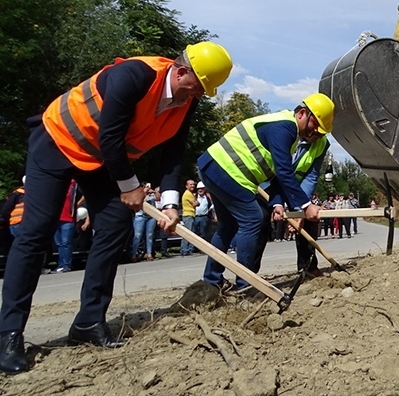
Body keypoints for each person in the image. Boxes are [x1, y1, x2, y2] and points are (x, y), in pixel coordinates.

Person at [0, 41, 233, 374]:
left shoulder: (187, 99)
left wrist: (170, 203)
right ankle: (8, 334)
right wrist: (131, 187)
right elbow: (110, 135)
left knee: (114, 226)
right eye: (196, 87)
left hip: (99, 161)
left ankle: (88, 323)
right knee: (36, 232)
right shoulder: (133, 74)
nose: (195, 96)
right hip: (59, 141)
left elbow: (173, 151)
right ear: (181, 70)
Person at [197, 93, 333, 290]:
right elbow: (284, 172)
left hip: (212, 165)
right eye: (315, 127)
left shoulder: (289, 131)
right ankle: (246, 284)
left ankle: (211, 281)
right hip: (227, 171)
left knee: (228, 226)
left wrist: (277, 204)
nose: (316, 134)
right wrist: (305, 205)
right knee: (253, 219)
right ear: (303, 113)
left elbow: (278, 176)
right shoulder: (285, 128)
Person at [50, 181, 80, 273]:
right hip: (56, 218)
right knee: (59, 243)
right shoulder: (56, 185)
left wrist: (76, 205)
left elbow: (84, 195)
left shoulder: (74, 186)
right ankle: (61, 265)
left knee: (66, 242)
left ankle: (67, 265)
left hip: (68, 218)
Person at [130, 184, 157, 262]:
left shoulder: (151, 195)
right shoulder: (140, 195)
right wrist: (145, 193)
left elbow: (158, 198)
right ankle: (133, 254)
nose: (149, 188)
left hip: (151, 217)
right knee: (137, 236)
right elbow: (139, 201)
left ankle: (149, 254)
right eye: (147, 187)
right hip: (140, 216)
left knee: (149, 236)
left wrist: (154, 192)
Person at [180, 179, 199, 256]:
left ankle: (188, 249)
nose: (192, 186)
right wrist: (196, 202)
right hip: (188, 215)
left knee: (190, 233)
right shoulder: (188, 194)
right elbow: (195, 204)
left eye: (193, 184)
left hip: (191, 215)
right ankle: (184, 250)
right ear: (186, 186)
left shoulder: (191, 194)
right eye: (190, 184)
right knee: (187, 233)